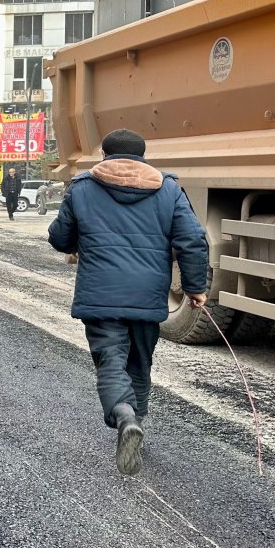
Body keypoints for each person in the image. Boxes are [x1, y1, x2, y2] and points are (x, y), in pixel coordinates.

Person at [47, 128, 209, 476]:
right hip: (148, 296)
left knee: (111, 360)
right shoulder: (169, 189)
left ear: (105, 155)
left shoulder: (82, 187)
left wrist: (79, 242)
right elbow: (193, 239)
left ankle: (124, 417)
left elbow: (59, 238)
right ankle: (137, 423)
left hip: (101, 295)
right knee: (140, 361)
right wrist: (195, 288)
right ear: (143, 156)